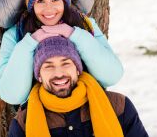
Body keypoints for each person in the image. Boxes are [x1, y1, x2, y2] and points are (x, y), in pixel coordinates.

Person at [0, 0, 124, 104]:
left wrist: (73, 34)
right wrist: (30, 42)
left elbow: (112, 76)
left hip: (85, 107)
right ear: (31, 6)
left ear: (64, 2)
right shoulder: (15, 34)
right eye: (40, 1)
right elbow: (11, 95)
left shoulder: (86, 25)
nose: (49, 8)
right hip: (41, 114)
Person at [8, 36, 149, 137]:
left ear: (77, 69)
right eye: (48, 66)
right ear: (39, 76)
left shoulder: (119, 106)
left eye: (66, 63)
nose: (59, 73)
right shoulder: (24, 123)